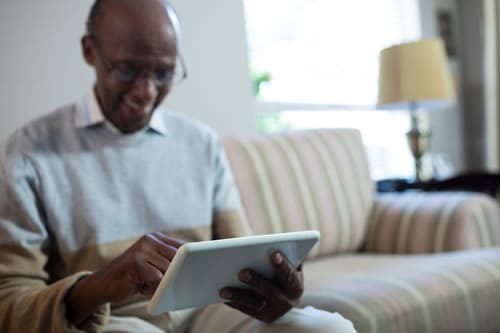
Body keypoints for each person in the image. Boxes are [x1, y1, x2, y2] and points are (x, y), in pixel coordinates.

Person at [0, 0, 356, 332]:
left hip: (208, 310)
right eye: (126, 70)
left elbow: (241, 250)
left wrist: (273, 288)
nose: (146, 91)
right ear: (89, 51)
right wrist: (101, 285)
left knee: (331, 328)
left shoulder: (201, 143)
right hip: (112, 319)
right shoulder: (30, 152)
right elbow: (9, 302)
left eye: (164, 73)